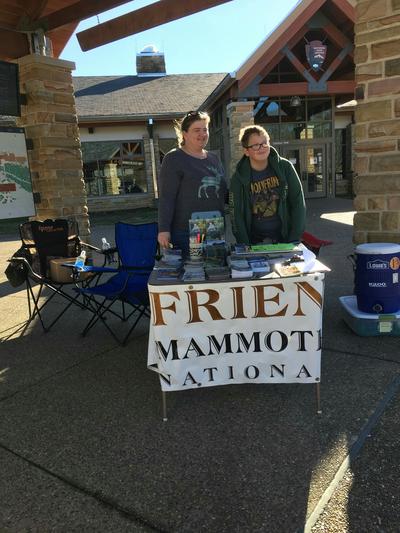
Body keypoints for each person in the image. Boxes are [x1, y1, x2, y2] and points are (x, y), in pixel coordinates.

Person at [157, 110, 226, 256]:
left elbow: (223, 191)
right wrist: (164, 229)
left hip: (215, 226)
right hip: (186, 231)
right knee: (193, 273)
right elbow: (166, 197)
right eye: (196, 130)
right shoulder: (173, 158)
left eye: (205, 129)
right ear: (185, 134)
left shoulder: (214, 158)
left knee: (215, 271)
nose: (202, 134)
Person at [230, 125, 305, 245]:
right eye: (255, 145)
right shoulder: (238, 178)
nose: (261, 148)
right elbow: (235, 215)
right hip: (253, 242)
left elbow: (298, 203)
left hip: (285, 239)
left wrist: (294, 238)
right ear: (246, 151)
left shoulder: (285, 168)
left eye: (264, 143)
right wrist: (244, 244)